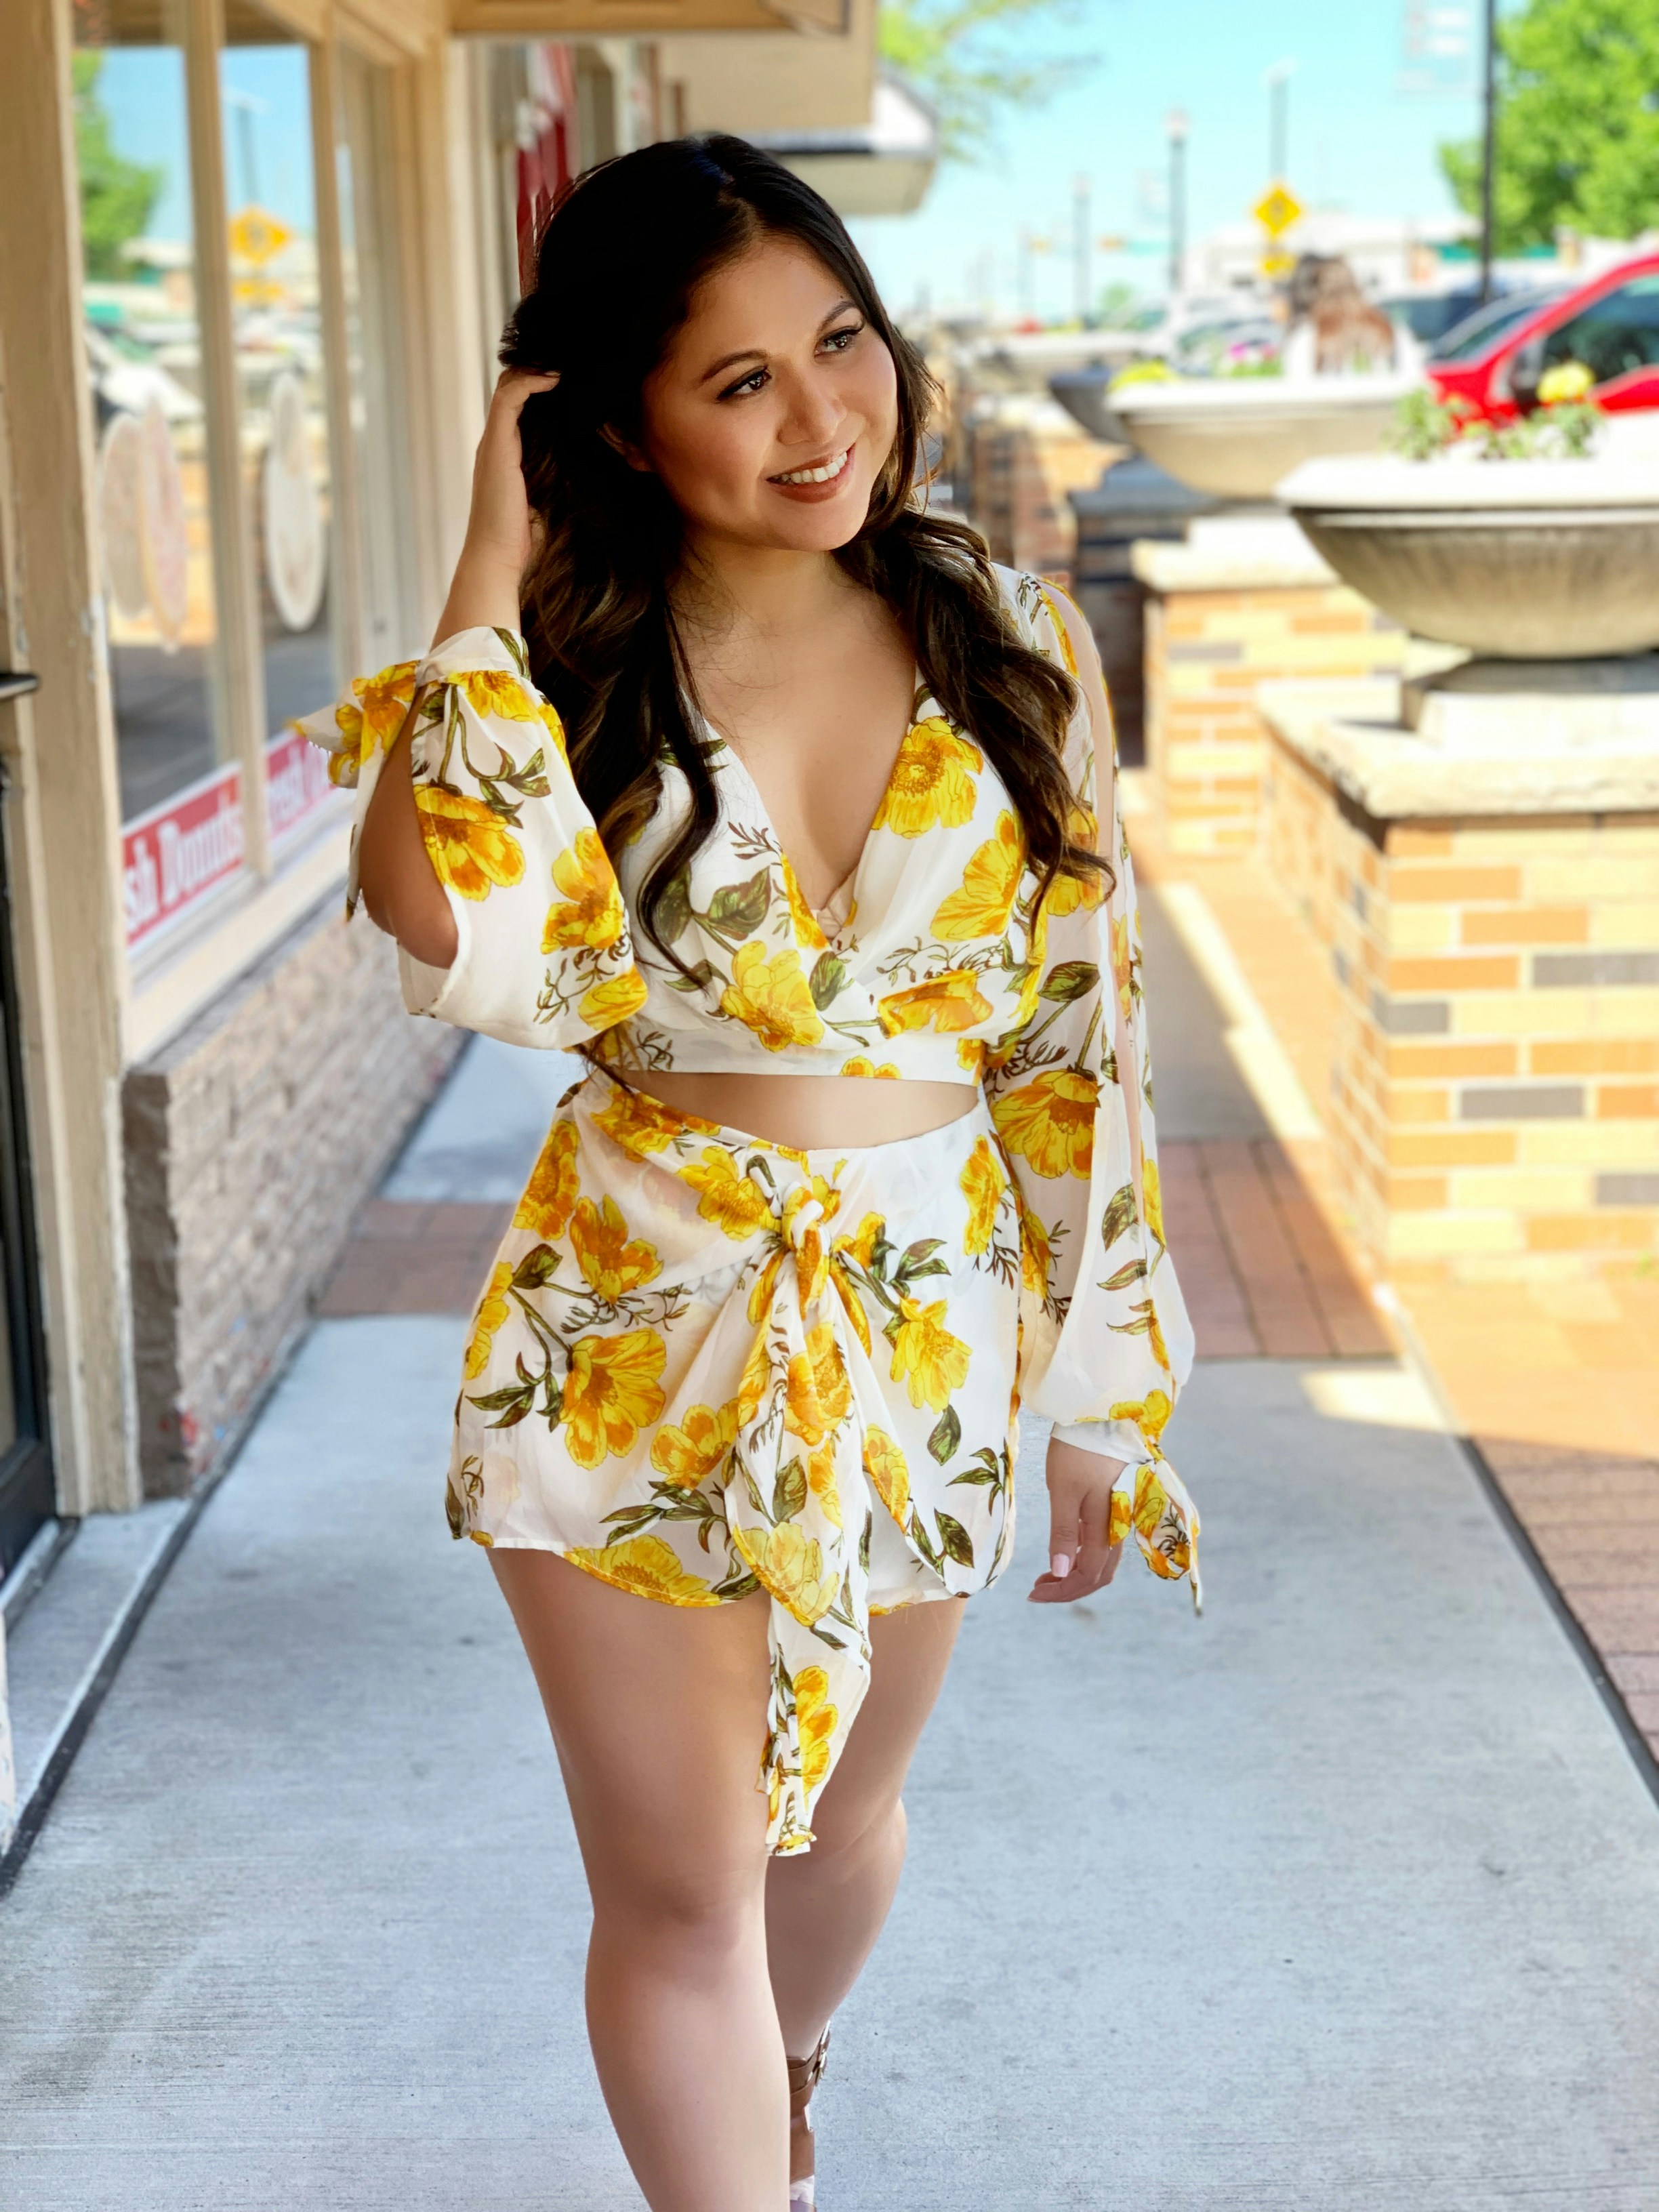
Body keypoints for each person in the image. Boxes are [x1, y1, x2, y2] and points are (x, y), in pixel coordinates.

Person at [300, 134, 1197, 2212]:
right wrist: (482, 568)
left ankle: (783, 2078)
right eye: (740, 381)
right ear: (618, 418)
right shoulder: (569, 660)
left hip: (928, 1308)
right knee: (682, 1883)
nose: (822, 420)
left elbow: (1082, 1037)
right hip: (638, 1319)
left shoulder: (1005, 632)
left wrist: (1098, 1383)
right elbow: (443, 919)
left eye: (842, 343)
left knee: (836, 1823)